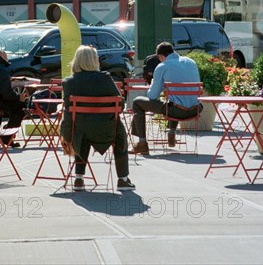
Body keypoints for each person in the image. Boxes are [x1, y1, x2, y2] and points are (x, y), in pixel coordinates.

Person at [60, 45, 135, 191]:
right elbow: (120, 105)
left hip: (81, 132)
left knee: (81, 128)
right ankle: (123, 179)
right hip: (107, 130)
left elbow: (69, 111)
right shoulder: (105, 78)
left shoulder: (68, 82)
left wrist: (66, 132)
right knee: (120, 135)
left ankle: (79, 178)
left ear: (76, 61)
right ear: (94, 61)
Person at [130, 42, 202, 155]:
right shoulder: (190, 62)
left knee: (137, 102)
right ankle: (171, 133)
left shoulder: (162, 66)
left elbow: (152, 96)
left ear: (160, 56)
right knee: (175, 99)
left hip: (177, 111)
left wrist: (154, 82)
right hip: (196, 109)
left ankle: (142, 144)